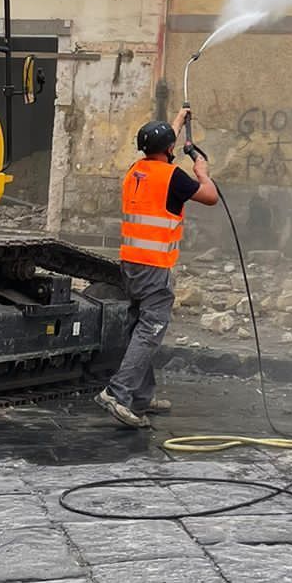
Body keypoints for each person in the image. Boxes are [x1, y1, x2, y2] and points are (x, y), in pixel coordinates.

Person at [96, 107, 217, 428]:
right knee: (150, 331)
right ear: (168, 150)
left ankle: (140, 396)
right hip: (155, 267)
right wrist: (202, 170)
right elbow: (210, 197)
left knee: (139, 326)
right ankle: (118, 393)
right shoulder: (173, 177)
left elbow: (162, 147)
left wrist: (178, 120)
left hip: (131, 264)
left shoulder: (135, 170)